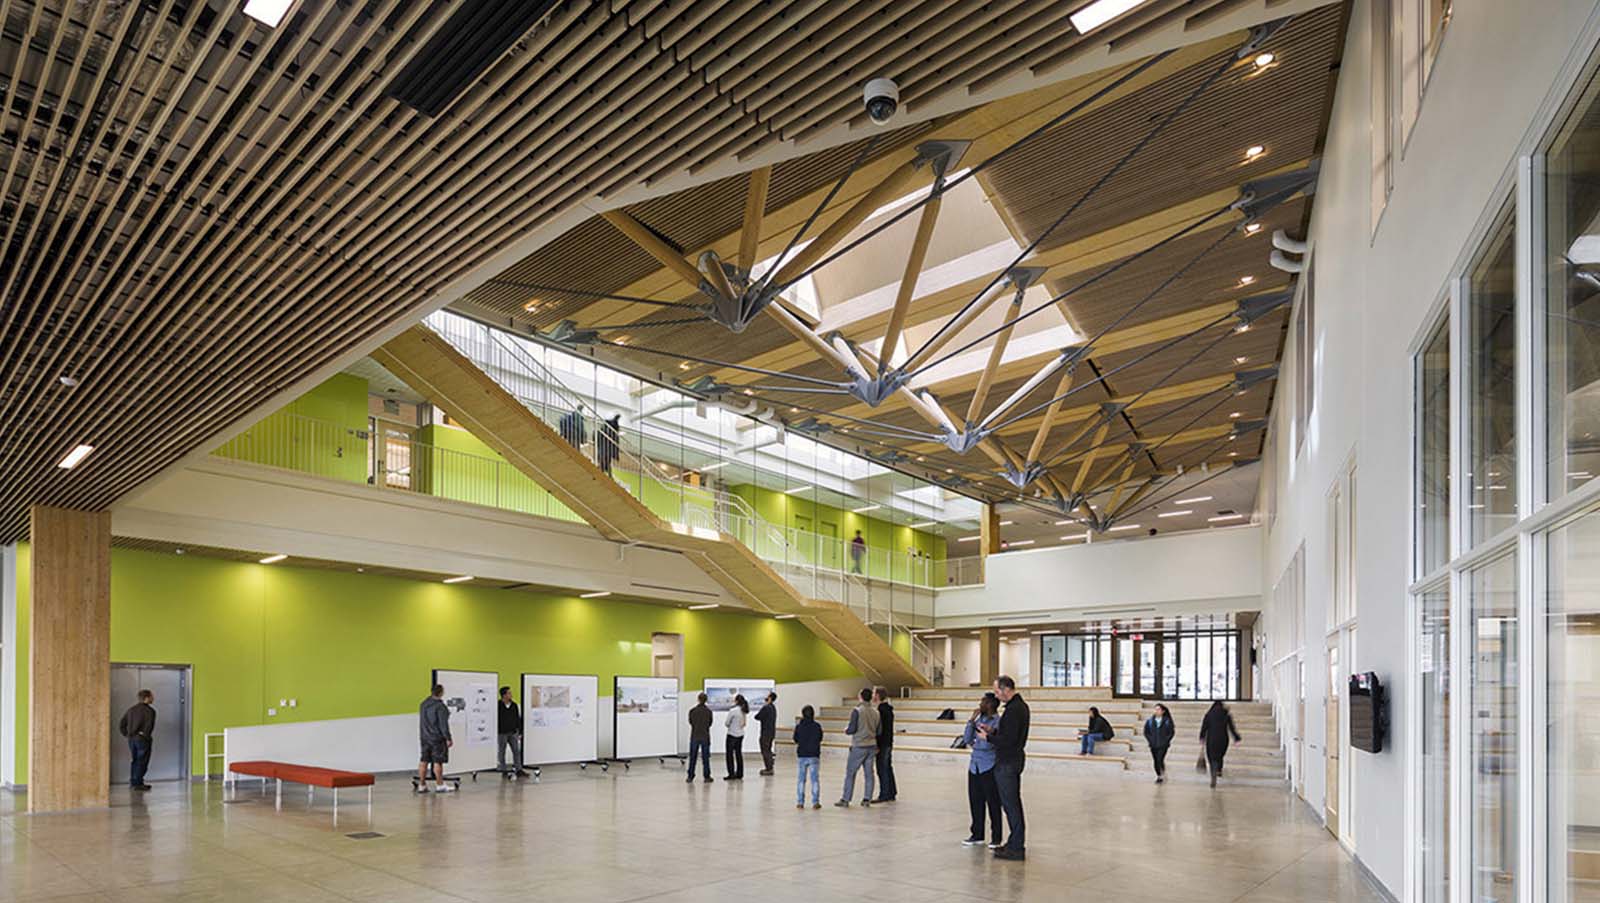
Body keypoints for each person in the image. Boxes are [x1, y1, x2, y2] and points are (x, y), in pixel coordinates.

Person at [978, 675, 1029, 860]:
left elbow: (1008, 741)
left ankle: (1016, 847)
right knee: (1010, 803)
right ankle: (1014, 842)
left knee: (1011, 804)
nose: (996, 696)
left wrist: (988, 738)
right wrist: (994, 731)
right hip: (1011, 759)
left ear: (1007, 689)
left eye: (998, 691)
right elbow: (1008, 734)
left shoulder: (1015, 710)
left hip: (1008, 761)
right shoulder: (1016, 707)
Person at [962, 692, 1002, 848]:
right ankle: (977, 834)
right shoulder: (979, 720)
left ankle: (996, 837)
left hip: (989, 764)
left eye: (983, 702)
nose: (980, 705)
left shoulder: (998, 722)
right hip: (974, 765)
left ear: (990, 705)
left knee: (993, 803)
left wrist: (988, 734)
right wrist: (971, 721)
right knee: (975, 801)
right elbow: (966, 739)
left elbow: (990, 744)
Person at [835, 687, 880, 807]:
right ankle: (867, 799)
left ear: (860, 696)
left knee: (851, 773)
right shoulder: (876, 712)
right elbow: (879, 731)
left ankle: (846, 799)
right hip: (871, 745)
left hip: (859, 746)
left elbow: (852, 729)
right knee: (869, 774)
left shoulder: (857, 711)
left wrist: (846, 730)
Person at [418, 684, 454, 792]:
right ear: (441, 693)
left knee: (424, 760)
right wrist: (448, 738)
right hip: (437, 738)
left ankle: (422, 785)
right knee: (438, 762)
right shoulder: (440, 707)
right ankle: (440, 784)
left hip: (424, 737)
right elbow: (443, 725)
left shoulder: (423, 704)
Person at [118, 689, 156, 791]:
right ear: (147, 698)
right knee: (142, 761)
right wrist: (145, 735)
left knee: (135, 760)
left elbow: (122, 724)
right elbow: (149, 727)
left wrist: (127, 734)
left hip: (131, 740)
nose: (153, 698)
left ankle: (134, 782)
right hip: (142, 740)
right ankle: (138, 783)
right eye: (152, 696)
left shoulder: (131, 710)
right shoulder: (150, 711)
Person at [1199, 700, 1243, 788]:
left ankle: (1213, 774)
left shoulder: (1209, 714)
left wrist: (1202, 737)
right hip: (1223, 739)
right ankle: (1219, 769)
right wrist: (1236, 738)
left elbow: (1204, 726)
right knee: (1220, 755)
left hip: (1212, 738)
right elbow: (1231, 727)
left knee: (1212, 757)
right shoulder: (1226, 714)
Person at [793, 705, 824, 809]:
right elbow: (820, 738)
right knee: (814, 779)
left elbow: (795, 739)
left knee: (801, 779)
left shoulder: (799, 726)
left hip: (802, 755)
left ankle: (800, 802)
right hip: (814, 755)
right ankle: (815, 802)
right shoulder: (817, 726)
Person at [872, 686, 897, 803]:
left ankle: (884, 794)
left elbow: (880, 730)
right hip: (888, 742)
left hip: (883, 744)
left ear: (877, 696)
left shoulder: (881, 710)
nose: (872, 696)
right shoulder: (888, 709)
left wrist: (877, 745)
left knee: (882, 769)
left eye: (874, 693)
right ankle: (892, 792)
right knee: (888, 767)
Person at [1143, 703, 1176, 783]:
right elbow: (1146, 732)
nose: (1156, 711)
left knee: (1159, 759)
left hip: (1163, 745)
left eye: (1158, 709)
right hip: (1153, 744)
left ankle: (1161, 774)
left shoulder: (1167, 721)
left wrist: (1166, 740)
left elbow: (1171, 732)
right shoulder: (1150, 721)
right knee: (1155, 760)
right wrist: (1150, 740)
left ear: (1163, 711)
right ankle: (1159, 775)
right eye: (1155, 709)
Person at [496, 686, 523, 777]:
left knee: (516, 751)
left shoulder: (514, 705)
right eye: (509, 693)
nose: (511, 695)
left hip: (513, 732)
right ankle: (503, 770)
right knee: (502, 751)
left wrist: (519, 731)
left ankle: (518, 769)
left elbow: (517, 719)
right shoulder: (498, 705)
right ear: (504, 695)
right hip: (502, 733)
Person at [687, 692, 714, 783]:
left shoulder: (692, 711)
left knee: (693, 757)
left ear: (698, 699)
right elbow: (710, 724)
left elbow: (691, 722)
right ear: (706, 700)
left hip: (694, 736)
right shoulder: (709, 711)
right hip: (705, 736)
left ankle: (690, 776)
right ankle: (707, 776)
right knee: (705, 758)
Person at [724, 694, 748, 780]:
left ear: (736, 701)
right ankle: (740, 773)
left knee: (729, 755)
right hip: (740, 735)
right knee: (738, 754)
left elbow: (726, 723)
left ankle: (731, 774)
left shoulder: (733, 711)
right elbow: (744, 724)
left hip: (732, 735)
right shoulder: (743, 710)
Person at [755, 691, 778, 776]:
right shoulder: (773, 707)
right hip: (771, 732)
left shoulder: (766, 707)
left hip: (765, 732)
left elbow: (757, 716)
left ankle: (769, 768)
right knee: (768, 749)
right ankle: (770, 765)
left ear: (770, 698)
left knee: (765, 750)